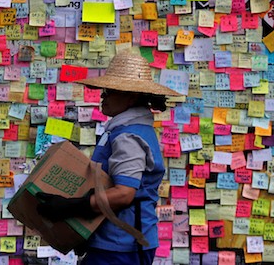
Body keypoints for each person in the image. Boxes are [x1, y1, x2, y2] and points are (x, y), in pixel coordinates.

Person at [35, 50, 180, 265]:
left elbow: (123, 194)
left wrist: (71, 206)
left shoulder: (128, 136)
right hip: (116, 241)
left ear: (131, 97)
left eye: (111, 91)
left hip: (122, 245)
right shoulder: (123, 130)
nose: (103, 95)